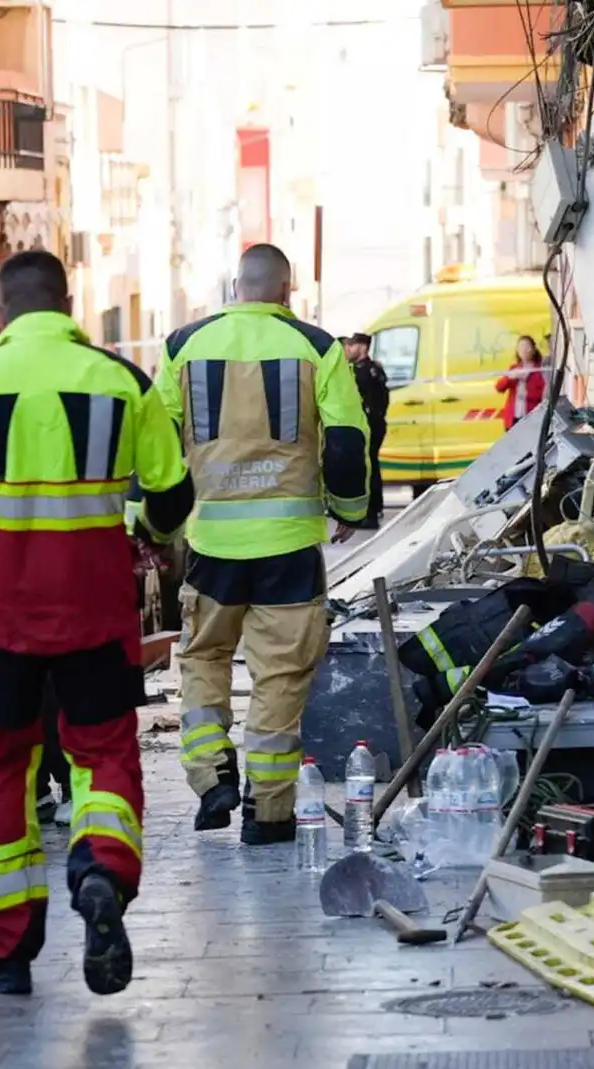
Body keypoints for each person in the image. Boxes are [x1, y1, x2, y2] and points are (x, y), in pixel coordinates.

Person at [0, 249, 195, 999]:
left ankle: (8, 954)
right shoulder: (122, 381)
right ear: (69, 305)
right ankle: (101, 868)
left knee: (2, 764)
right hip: (95, 608)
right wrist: (145, 522)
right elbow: (171, 495)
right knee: (103, 754)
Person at [157, 243, 369, 845]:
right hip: (289, 549)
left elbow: (156, 447)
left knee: (203, 659)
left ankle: (211, 774)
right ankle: (268, 814)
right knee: (279, 676)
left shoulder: (182, 347)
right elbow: (348, 439)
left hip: (211, 546)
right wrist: (348, 507)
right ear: (287, 289)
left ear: (235, 286)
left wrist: (155, 528)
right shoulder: (317, 347)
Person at [0, 273, 72, 826]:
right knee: (11, 683)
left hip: (53, 559)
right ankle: (36, 788)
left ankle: (60, 779)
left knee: (49, 680)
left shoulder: (41, 378)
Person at [343, 332, 388, 529]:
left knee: (367, 468)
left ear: (362, 347)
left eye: (352, 346)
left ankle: (370, 514)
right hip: (377, 422)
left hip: (368, 424)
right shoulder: (375, 369)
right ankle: (376, 507)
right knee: (374, 466)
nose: (349, 350)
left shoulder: (360, 371)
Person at [494, 335, 546, 430]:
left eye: (527, 347)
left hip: (531, 417)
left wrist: (526, 393)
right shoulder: (514, 368)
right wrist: (510, 378)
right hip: (513, 418)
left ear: (533, 350)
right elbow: (499, 388)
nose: (524, 350)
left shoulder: (539, 370)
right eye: (521, 348)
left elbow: (542, 395)